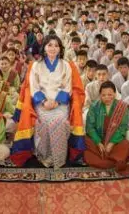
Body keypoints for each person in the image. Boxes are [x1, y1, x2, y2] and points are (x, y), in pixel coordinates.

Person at [11, 35, 85, 168]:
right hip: (41, 102)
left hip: (60, 103)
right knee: (43, 122)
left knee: (61, 121)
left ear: (60, 48)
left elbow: (67, 86)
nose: (53, 48)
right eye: (49, 45)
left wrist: (56, 102)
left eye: (56, 45)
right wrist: (44, 101)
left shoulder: (66, 65)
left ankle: (59, 158)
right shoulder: (36, 66)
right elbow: (34, 87)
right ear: (44, 47)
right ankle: (44, 155)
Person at [84, 82, 129, 175]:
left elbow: (122, 128)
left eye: (110, 94)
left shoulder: (122, 107)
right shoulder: (94, 107)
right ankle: (113, 160)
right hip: (98, 141)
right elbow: (90, 127)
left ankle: (106, 159)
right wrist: (98, 142)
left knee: (126, 145)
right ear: (100, 95)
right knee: (84, 141)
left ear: (115, 94)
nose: (107, 97)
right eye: (103, 95)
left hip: (114, 141)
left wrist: (111, 143)